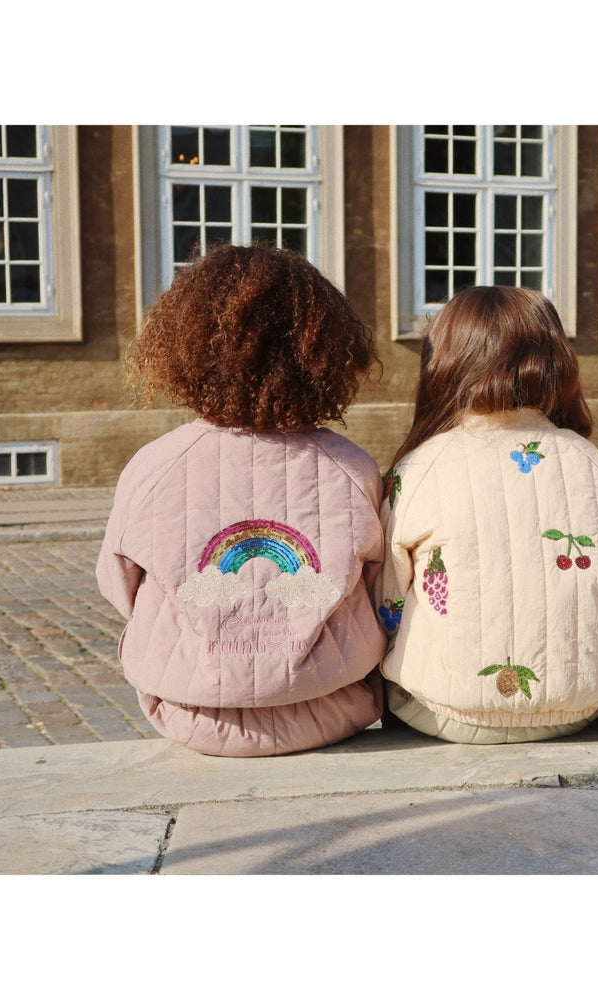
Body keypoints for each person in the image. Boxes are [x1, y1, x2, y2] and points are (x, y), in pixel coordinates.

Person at [96, 244, 387, 756]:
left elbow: (120, 586)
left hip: (189, 711)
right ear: (324, 354)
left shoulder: (153, 466)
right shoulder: (353, 468)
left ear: (184, 347)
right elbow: (378, 584)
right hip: (336, 703)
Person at [374, 285, 598, 744]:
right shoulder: (592, 461)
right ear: (556, 360)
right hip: (586, 701)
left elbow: (388, 603)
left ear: (445, 363)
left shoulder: (421, 467)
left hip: (446, 709)